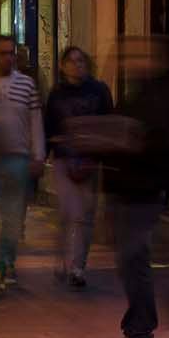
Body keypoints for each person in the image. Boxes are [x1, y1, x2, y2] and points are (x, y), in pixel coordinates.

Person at [96, 38, 169, 338]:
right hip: (133, 190)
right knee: (135, 263)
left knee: (136, 262)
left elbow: (154, 144)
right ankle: (141, 331)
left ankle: (143, 333)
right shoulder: (142, 95)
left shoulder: (159, 97)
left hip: (141, 192)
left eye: (136, 56)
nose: (128, 62)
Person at [0, 36, 43, 294]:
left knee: (13, 217)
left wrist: (38, 155)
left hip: (17, 158)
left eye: (11, 53)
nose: (8, 58)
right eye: (3, 53)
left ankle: (5, 263)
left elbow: (35, 120)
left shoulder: (26, 84)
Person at [43, 46, 112, 288]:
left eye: (80, 60)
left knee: (85, 216)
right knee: (66, 212)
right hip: (64, 159)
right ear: (63, 66)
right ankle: (62, 257)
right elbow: (48, 125)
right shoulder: (57, 94)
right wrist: (46, 152)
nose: (76, 65)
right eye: (71, 61)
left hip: (89, 161)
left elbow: (107, 123)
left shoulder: (99, 91)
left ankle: (78, 267)